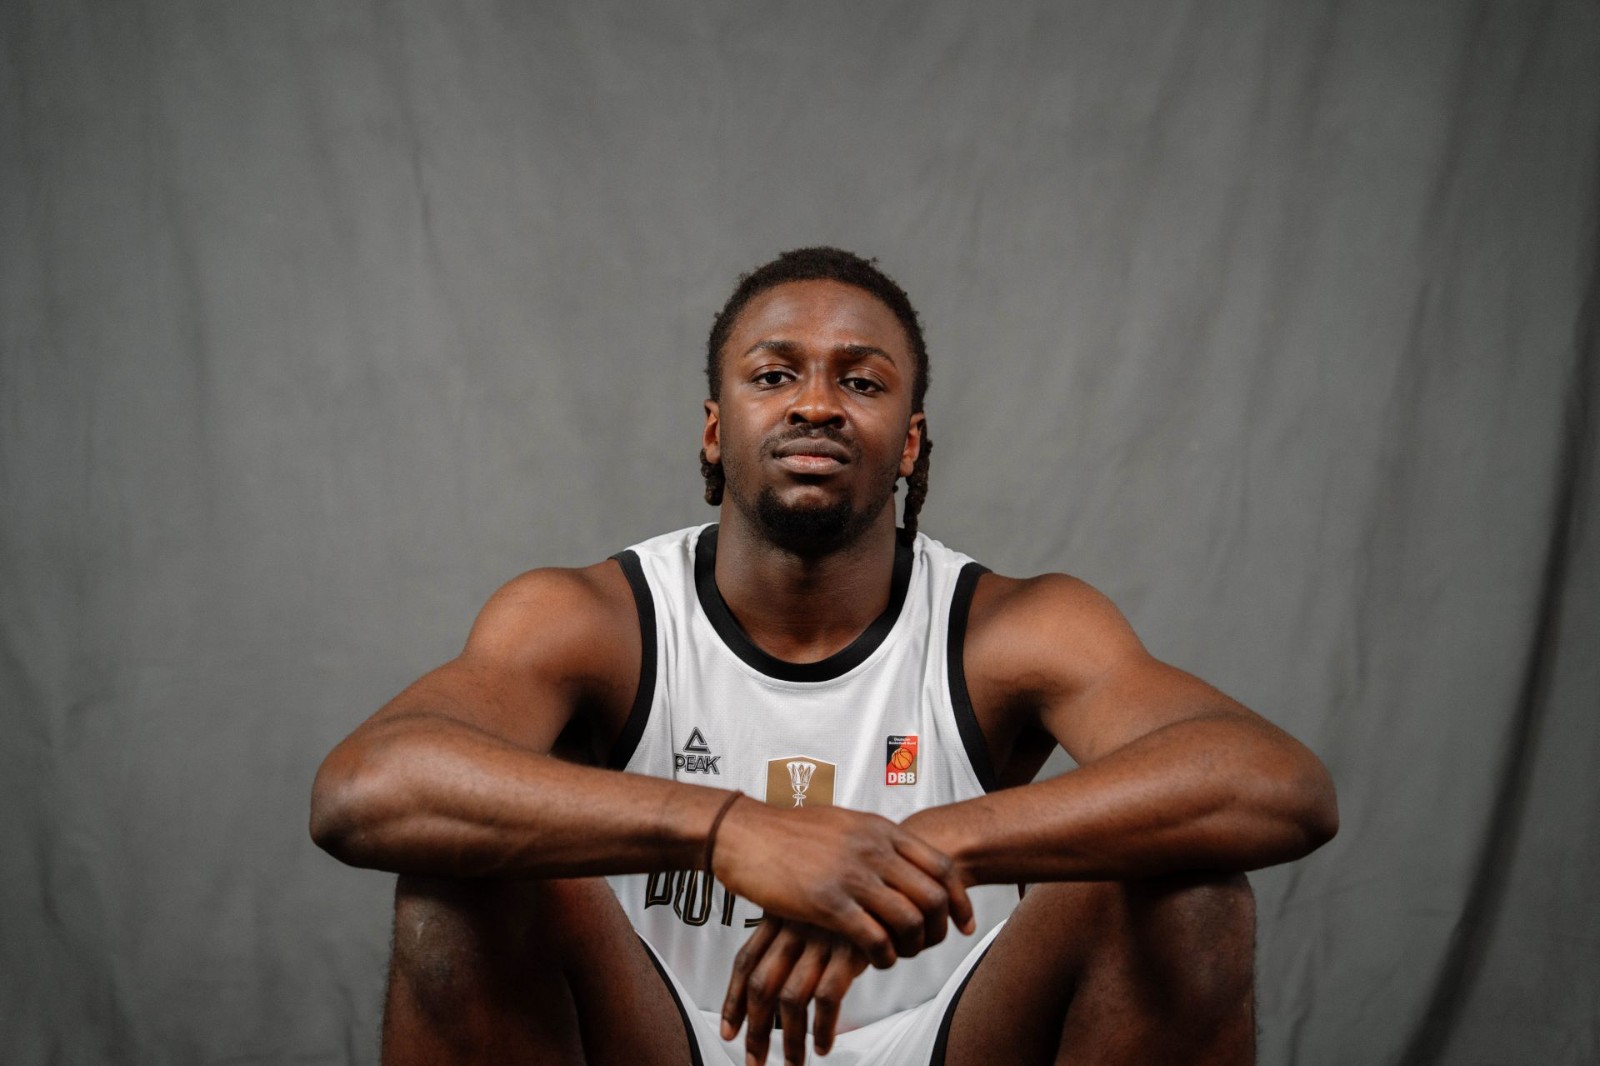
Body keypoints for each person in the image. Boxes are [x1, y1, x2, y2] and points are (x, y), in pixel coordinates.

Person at [310, 247, 1338, 1066]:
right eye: (774, 375)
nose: (815, 403)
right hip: (666, 1036)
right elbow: (368, 789)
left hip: (937, 1038)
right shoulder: (593, 618)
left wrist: (922, 850)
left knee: (1187, 894)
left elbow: (1276, 784)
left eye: (861, 380)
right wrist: (728, 830)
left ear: (911, 444)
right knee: (461, 882)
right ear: (715, 431)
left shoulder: (1011, 628)